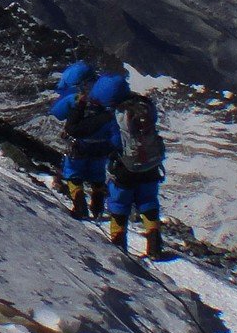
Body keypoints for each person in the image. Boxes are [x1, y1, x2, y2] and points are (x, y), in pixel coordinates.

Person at [50, 60, 127, 219]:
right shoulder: (110, 99)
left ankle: (79, 205)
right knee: (97, 174)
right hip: (103, 148)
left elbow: (57, 112)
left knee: (73, 173)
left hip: (80, 144)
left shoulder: (76, 98)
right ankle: (97, 204)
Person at [105, 87, 167, 258]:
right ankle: (154, 244)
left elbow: (114, 141)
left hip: (125, 169)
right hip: (150, 166)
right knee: (148, 201)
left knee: (119, 204)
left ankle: (118, 246)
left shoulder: (118, 115)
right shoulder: (146, 110)